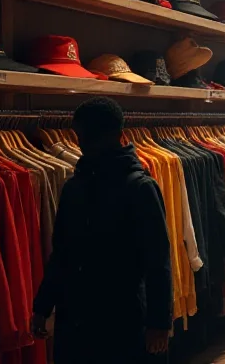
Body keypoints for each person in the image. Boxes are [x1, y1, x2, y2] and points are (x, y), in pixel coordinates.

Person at [32, 97, 172, 363]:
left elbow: (158, 261)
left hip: (124, 317)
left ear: (117, 135)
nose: (84, 143)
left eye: (91, 136)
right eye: (81, 136)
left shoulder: (140, 188)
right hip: (75, 317)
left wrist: (159, 323)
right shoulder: (74, 187)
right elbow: (61, 253)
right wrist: (43, 305)